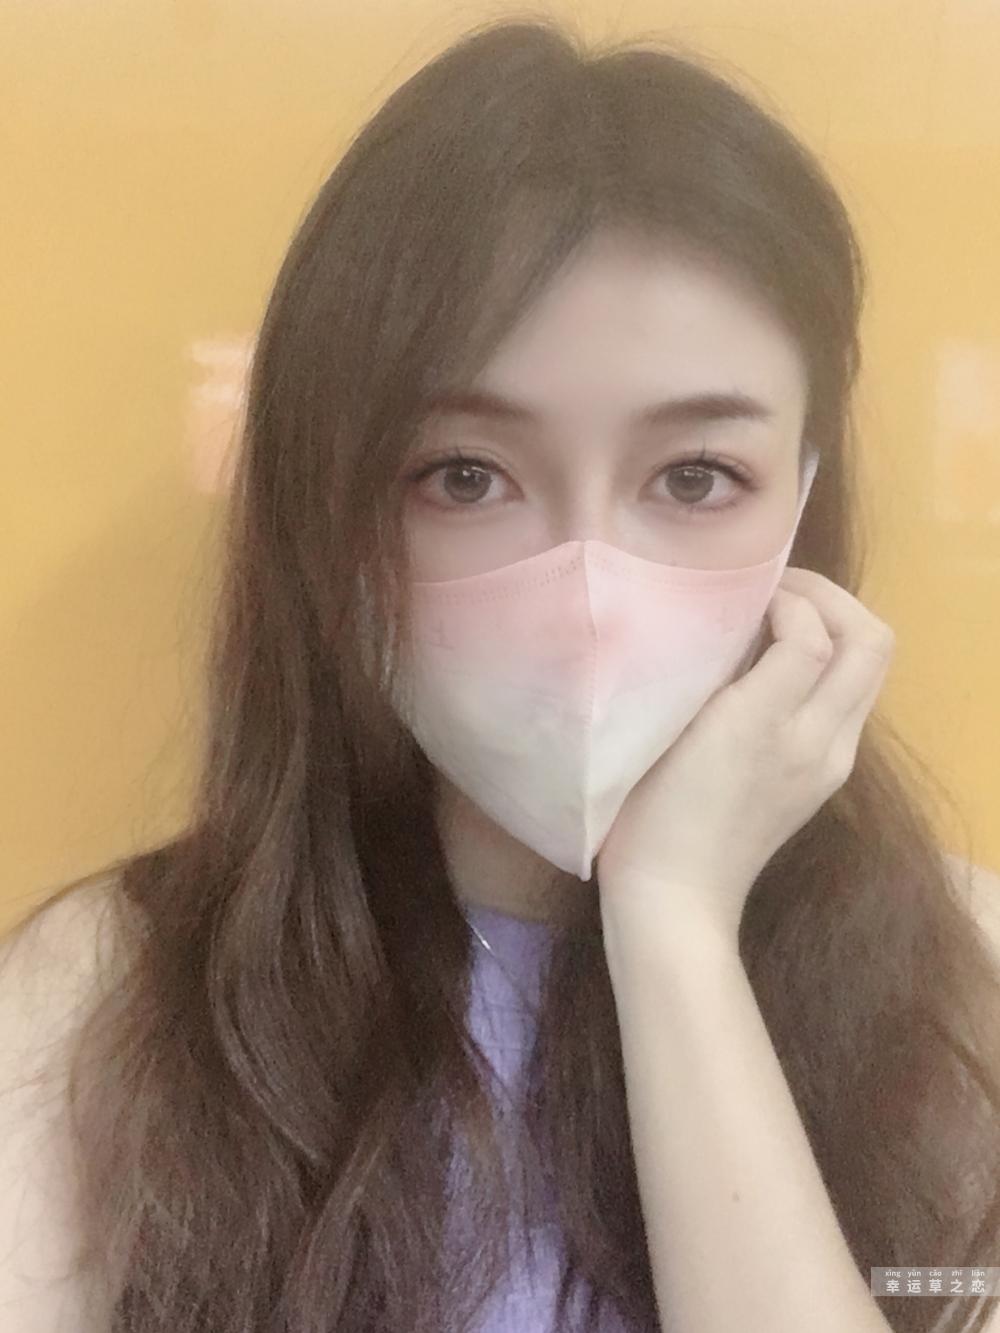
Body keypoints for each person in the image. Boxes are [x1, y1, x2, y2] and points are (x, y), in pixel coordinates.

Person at [3, 15, 1000, 1333]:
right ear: (333, 509)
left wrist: (674, 921)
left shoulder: (966, 992)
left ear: (804, 504)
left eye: (696, 477)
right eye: (465, 475)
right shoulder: (104, 1001)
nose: (587, 593)